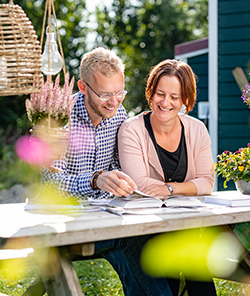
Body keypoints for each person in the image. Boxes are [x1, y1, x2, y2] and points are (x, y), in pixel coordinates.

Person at [41, 47, 172, 296]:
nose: (114, 102)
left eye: (119, 93)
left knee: (148, 243)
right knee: (134, 244)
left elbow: (118, 166)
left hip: (107, 217)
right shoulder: (56, 118)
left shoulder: (118, 114)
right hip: (63, 223)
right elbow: (50, 183)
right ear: (82, 87)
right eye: (104, 94)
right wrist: (95, 180)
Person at [118, 59, 217, 296]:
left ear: (185, 99)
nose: (165, 102)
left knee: (189, 244)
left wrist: (170, 189)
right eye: (160, 94)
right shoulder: (131, 130)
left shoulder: (197, 130)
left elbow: (207, 182)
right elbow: (139, 184)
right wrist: (187, 187)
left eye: (174, 97)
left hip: (185, 223)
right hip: (146, 228)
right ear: (150, 93)